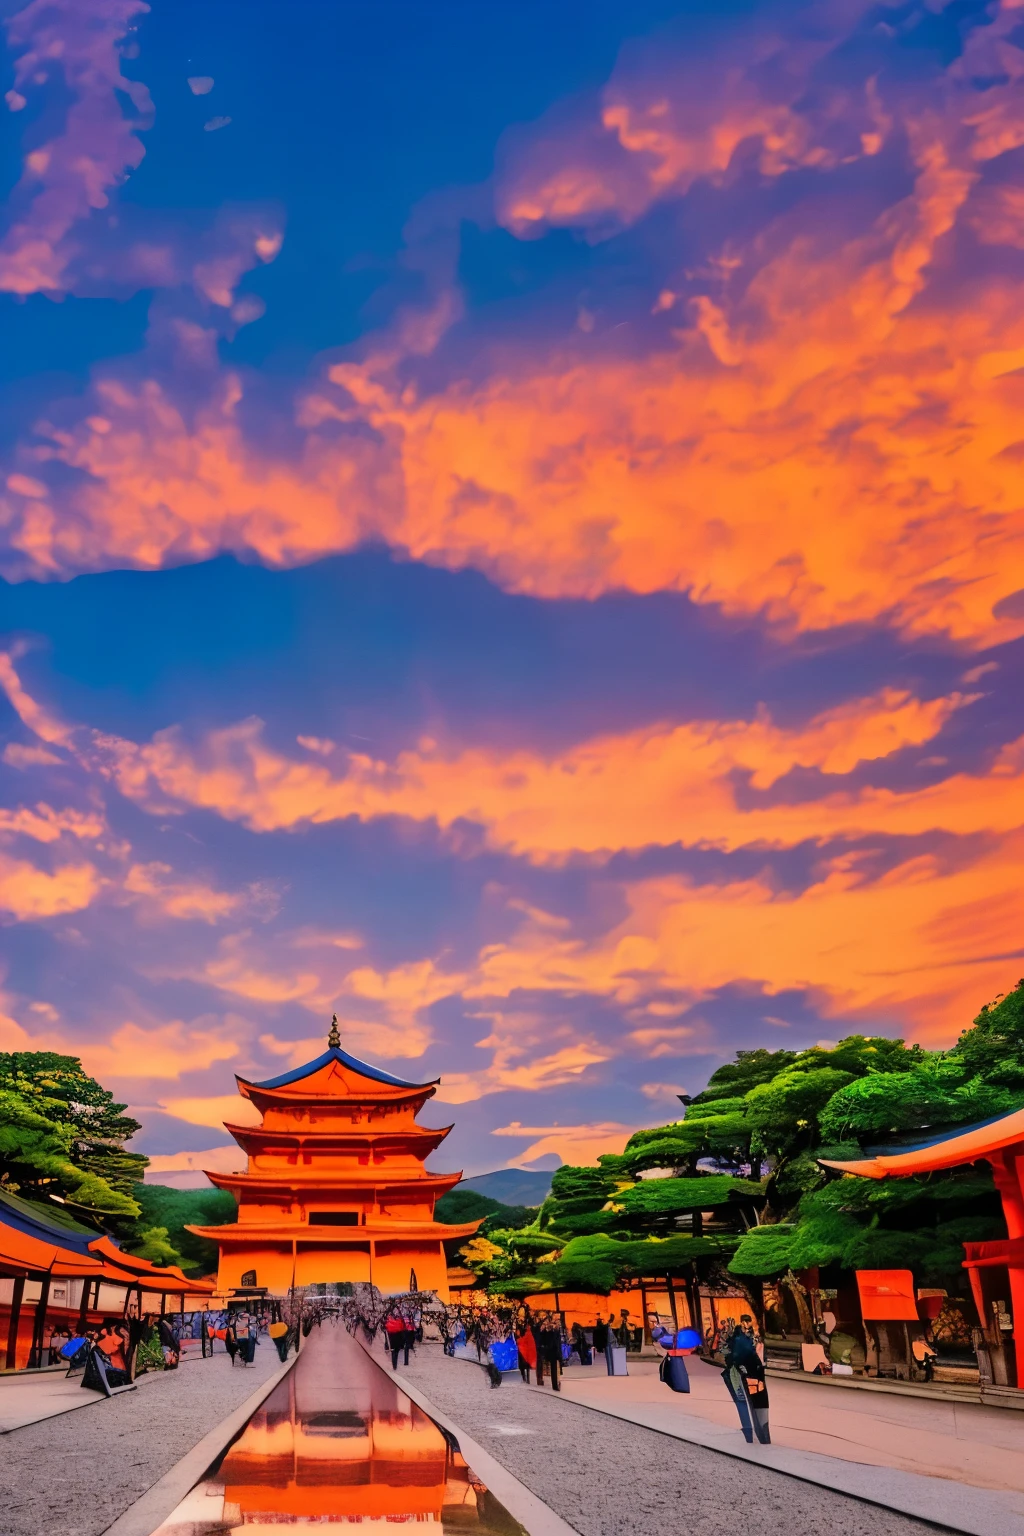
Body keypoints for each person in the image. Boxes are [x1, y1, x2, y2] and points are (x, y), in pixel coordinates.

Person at [722, 1315, 770, 1444]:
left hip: (753, 1371)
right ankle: (750, 1432)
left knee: (757, 1402)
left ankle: (761, 1435)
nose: (749, 1324)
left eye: (750, 1321)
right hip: (742, 1372)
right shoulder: (738, 1336)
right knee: (744, 1400)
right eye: (747, 1321)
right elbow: (732, 1353)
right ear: (743, 1322)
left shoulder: (751, 1336)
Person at [650, 1314, 699, 1393]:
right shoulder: (662, 1331)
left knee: (675, 1366)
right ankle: (679, 1384)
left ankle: (679, 1385)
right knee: (676, 1366)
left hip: (673, 1346)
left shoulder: (660, 1333)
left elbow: (660, 1338)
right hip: (673, 1346)